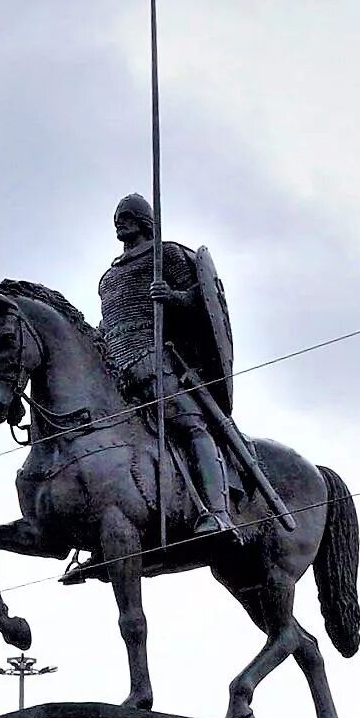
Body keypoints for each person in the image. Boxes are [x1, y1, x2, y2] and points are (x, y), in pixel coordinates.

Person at [97, 192, 235, 538]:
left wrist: (172, 297)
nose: (120, 221)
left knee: (192, 427)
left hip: (157, 365)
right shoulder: (107, 278)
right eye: (117, 217)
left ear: (144, 221)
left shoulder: (166, 256)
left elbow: (203, 301)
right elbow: (109, 324)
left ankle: (218, 513)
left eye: (127, 215)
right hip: (119, 377)